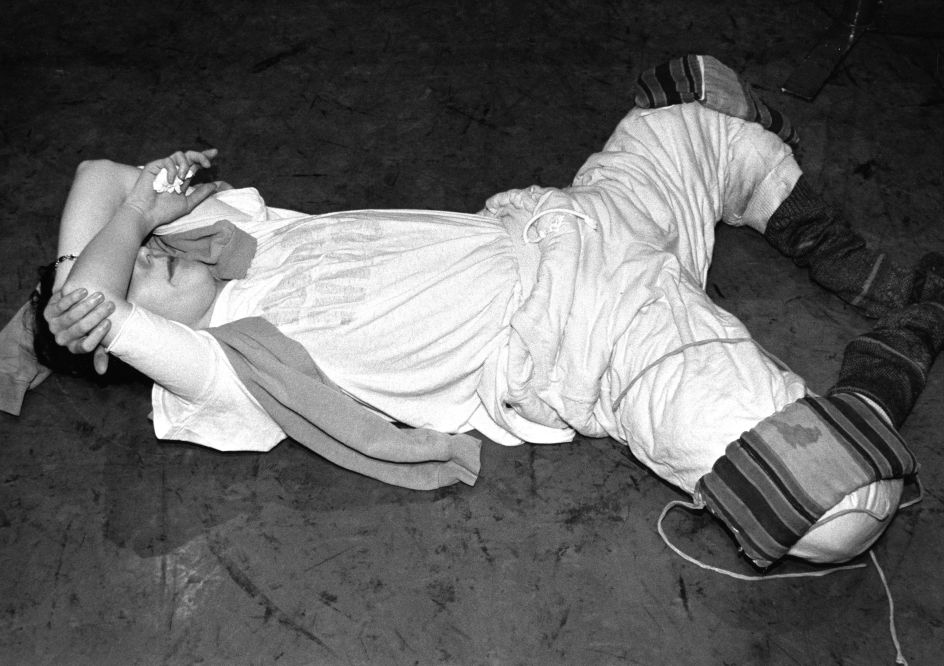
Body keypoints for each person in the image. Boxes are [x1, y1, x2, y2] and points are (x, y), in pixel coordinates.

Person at [24, 56, 944, 569]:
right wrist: (115, 251)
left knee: (686, 105)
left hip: (579, 218)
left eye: (143, 239)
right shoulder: (233, 367)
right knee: (827, 503)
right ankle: (899, 348)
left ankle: (853, 266)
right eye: (143, 261)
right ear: (129, 345)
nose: (154, 242)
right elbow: (102, 301)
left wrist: (130, 213)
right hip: (595, 339)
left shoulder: (254, 236)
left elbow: (94, 176)